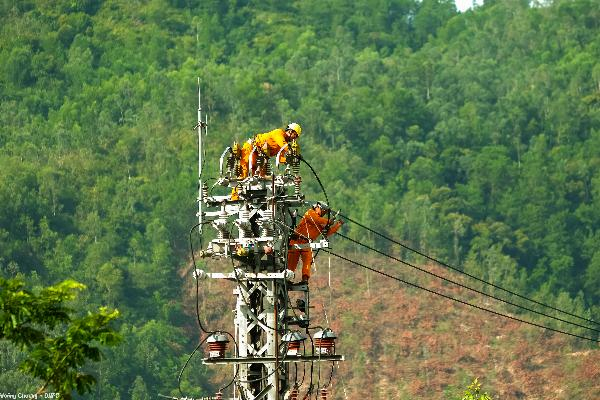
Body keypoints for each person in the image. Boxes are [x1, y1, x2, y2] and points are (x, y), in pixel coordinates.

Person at [287, 202, 343, 283]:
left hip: (307, 243)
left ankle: (305, 279)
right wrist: (328, 221)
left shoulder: (321, 222)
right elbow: (316, 220)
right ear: (317, 207)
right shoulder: (310, 213)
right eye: (323, 211)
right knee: (291, 262)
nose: (324, 213)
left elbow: (327, 232)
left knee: (307, 261)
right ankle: (288, 277)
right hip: (296, 241)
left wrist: (337, 225)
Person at [237, 122, 302, 179]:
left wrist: (290, 160)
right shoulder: (279, 133)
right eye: (295, 135)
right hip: (250, 149)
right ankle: (235, 193)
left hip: (259, 156)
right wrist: (294, 153)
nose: (295, 138)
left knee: (256, 179)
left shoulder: (284, 145)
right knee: (243, 175)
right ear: (290, 131)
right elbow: (283, 145)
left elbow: (280, 158)